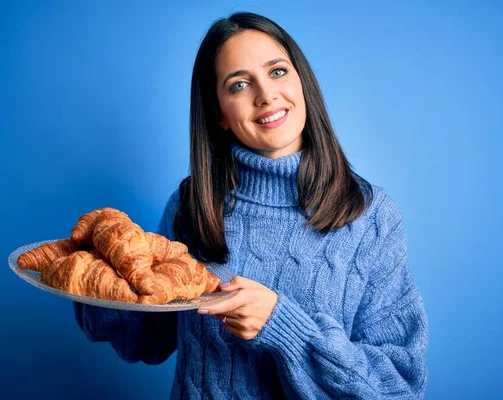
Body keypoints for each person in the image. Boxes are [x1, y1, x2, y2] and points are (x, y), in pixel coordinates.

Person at [74, 11, 429, 399]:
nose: (266, 95)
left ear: (301, 82)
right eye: (239, 84)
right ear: (219, 114)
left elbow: (400, 387)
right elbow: (147, 341)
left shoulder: (372, 217)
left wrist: (284, 328)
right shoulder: (192, 204)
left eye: (277, 71)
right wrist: (93, 281)